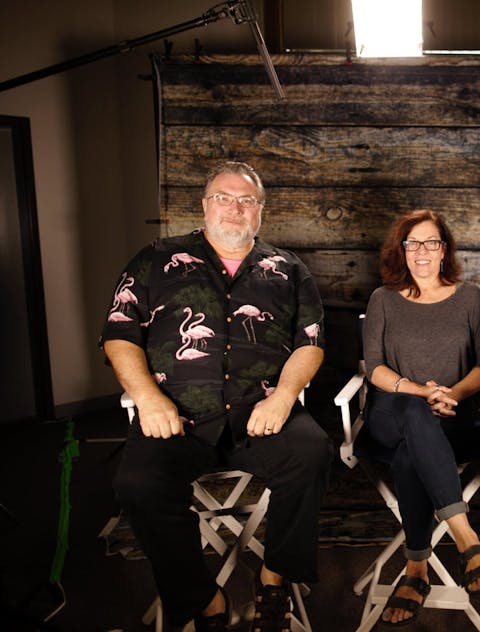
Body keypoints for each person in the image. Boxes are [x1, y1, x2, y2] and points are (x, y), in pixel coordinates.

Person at [100, 160, 332, 632]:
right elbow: (118, 333)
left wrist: (285, 396)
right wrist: (148, 398)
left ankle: (274, 577)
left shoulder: (288, 269)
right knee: (138, 483)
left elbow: (311, 342)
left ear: (260, 212)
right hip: (176, 414)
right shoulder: (156, 259)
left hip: (259, 410)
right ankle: (202, 597)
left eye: (246, 200)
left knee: (312, 452)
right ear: (205, 205)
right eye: (223, 198)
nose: (234, 208)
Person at [361, 210, 480, 626]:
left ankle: (415, 571)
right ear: (401, 251)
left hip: (454, 417)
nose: (421, 252)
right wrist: (423, 391)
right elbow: (374, 368)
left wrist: (453, 394)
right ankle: (468, 541)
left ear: (445, 250)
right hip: (393, 412)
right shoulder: (382, 299)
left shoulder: (468, 297)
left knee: (414, 451)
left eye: (431, 243)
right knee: (411, 415)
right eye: (412, 243)